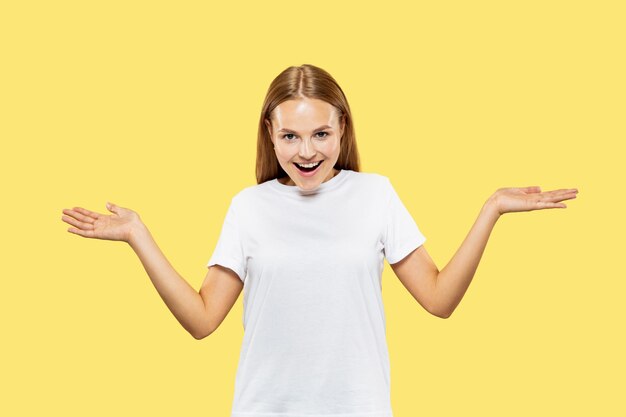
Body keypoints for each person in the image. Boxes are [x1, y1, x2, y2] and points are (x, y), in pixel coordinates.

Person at [61, 64, 579, 417]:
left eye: (321, 134)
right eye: (290, 136)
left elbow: (439, 300)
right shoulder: (249, 206)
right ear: (270, 133)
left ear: (342, 129)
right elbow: (201, 320)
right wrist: (137, 234)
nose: (306, 151)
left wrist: (490, 210)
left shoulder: (375, 195)